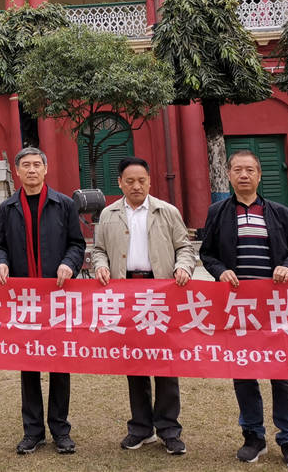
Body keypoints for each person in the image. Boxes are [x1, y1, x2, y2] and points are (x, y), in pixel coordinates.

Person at [199, 150, 288, 469]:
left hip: (275, 308)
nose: (243, 175)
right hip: (237, 308)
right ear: (229, 175)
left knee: (281, 375)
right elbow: (207, 253)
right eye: (237, 170)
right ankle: (253, 437)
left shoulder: (281, 213)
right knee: (244, 374)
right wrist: (220, 271)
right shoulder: (217, 212)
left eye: (249, 170)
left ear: (259, 175)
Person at [91, 156, 195, 455]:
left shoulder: (167, 211)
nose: (136, 186)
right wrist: (100, 265)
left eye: (141, 180)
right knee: (134, 361)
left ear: (150, 182)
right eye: (130, 181)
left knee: (165, 362)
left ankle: (169, 429)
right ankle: (140, 428)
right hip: (125, 294)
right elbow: (98, 250)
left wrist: (183, 267)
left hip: (160, 293)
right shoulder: (108, 214)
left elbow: (184, 247)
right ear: (120, 183)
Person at [0, 147, 86, 455]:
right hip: (24, 299)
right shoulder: (8, 207)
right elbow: (1, 245)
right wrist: (2, 262)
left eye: (36, 165)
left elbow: (77, 243)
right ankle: (32, 431)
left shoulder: (64, 204)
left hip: (57, 296)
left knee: (59, 364)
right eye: (26, 165)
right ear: (17, 172)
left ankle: (60, 429)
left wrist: (69, 264)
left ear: (46, 170)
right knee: (28, 364)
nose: (31, 170)